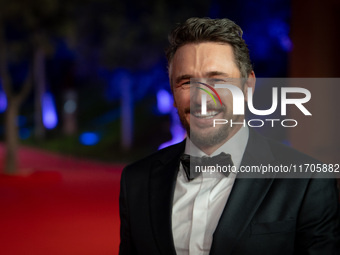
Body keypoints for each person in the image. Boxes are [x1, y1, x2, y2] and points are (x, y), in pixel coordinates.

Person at [119, 17, 340, 255]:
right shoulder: (136, 181)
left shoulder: (308, 181)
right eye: (186, 82)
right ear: (173, 93)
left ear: (248, 87)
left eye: (217, 80)